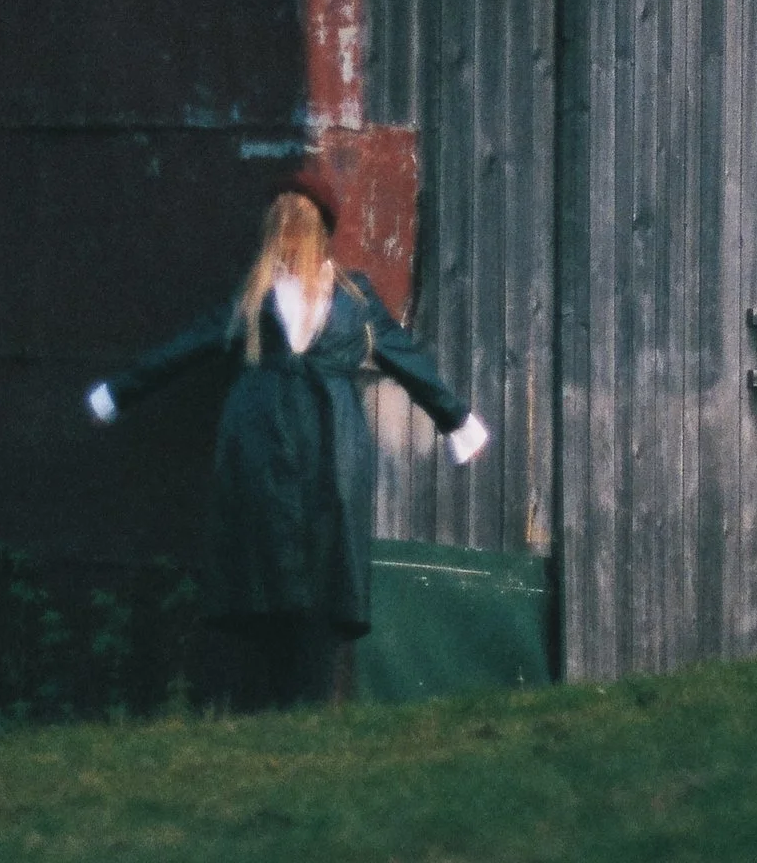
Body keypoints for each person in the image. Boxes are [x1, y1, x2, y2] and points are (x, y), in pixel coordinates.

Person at [85, 173, 488, 707]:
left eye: (298, 224)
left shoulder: (354, 297)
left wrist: (457, 420)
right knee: (263, 562)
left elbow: (406, 359)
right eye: (285, 224)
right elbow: (186, 349)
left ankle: (308, 704)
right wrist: (119, 392)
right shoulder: (254, 299)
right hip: (261, 446)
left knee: (325, 566)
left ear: (315, 230)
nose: (291, 235)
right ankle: (269, 706)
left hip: (331, 449)